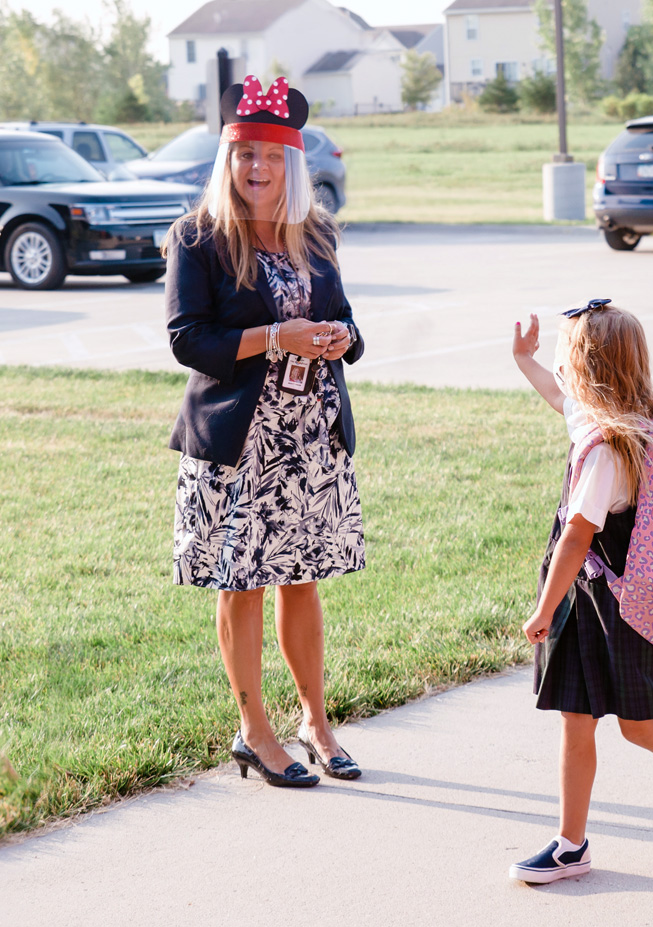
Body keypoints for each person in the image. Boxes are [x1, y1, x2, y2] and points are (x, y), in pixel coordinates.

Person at [165, 76, 364, 788]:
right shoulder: (198, 237)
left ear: (292, 163)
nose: (257, 169)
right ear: (228, 159)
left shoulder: (315, 232)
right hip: (238, 442)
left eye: (271, 157)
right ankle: (254, 730)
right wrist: (275, 335)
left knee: (302, 581)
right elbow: (189, 339)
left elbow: (347, 320)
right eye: (244, 154)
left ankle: (315, 720)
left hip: (309, 438)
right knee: (241, 584)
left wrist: (340, 336)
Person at [508, 301, 653, 882]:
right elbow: (559, 401)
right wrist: (523, 359)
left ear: (587, 366)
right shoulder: (598, 421)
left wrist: (542, 611)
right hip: (589, 600)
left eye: (566, 354)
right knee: (575, 719)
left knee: (638, 724)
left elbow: (574, 538)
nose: (558, 365)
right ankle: (571, 844)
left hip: (616, 603)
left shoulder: (611, 450)